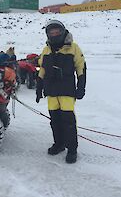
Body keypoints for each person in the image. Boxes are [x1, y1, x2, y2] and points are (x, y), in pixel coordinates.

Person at [36, 20, 86, 164]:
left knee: (68, 120)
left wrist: (81, 87)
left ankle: (72, 149)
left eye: (57, 31)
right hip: (51, 90)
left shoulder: (73, 48)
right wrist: (39, 88)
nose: (54, 34)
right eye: (51, 32)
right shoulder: (46, 50)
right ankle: (59, 144)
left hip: (66, 90)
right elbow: (41, 69)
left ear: (63, 31)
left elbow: (81, 68)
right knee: (55, 120)